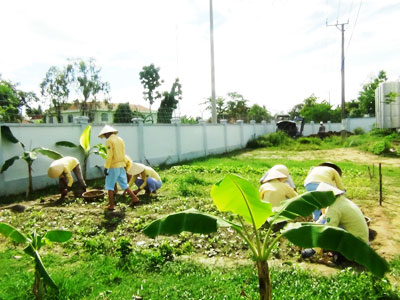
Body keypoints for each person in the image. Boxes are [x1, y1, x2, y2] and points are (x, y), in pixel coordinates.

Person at [301, 182, 369, 259]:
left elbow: (328, 230)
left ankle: (341, 255)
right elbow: (325, 217)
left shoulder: (334, 209)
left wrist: (313, 249)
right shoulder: (340, 200)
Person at [98, 125, 139, 210]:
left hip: (113, 166)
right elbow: (123, 152)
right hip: (121, 165)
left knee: (109, 185)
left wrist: (106, 167)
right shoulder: (120, 139)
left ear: (107, 133)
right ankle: (134, 198)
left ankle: (111, 205)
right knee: (124, 184)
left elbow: (109, 156)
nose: (105, 137)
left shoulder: (109, 141)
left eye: (105, 135)